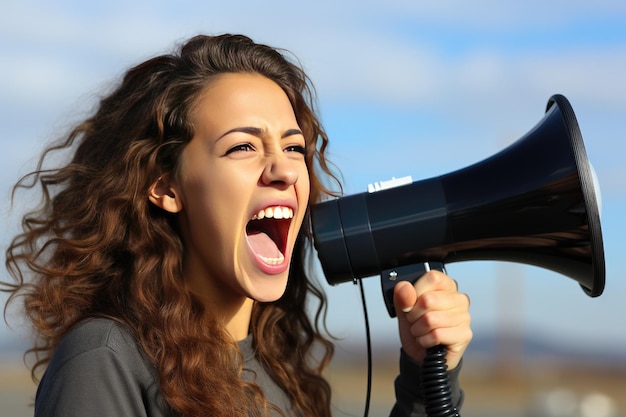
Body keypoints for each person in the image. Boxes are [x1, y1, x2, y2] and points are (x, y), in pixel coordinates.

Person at [2, 34, 472, 417]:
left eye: (293, 149)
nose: (285, 170)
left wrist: (423, 375)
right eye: (243, 148)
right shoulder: (105, 360)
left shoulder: (277, 368)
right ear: (165, 185)